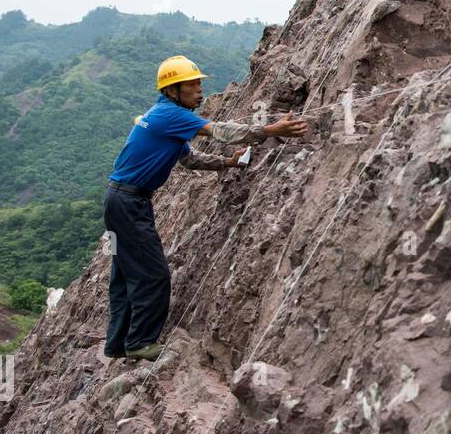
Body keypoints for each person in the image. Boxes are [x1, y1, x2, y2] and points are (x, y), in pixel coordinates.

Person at [102, 55, 307, 361]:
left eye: (200, 83)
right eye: (192, 84)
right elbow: (221, 131)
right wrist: (270, 130)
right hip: (129, 203)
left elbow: (189, 158)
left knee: (125, 274)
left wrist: (228, 162)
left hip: (121, 200)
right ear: (173, 90)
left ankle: (118, 344)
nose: (200, 90)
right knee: (153, 275)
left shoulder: (165, 116)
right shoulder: (170, 115)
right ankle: (140, 342)